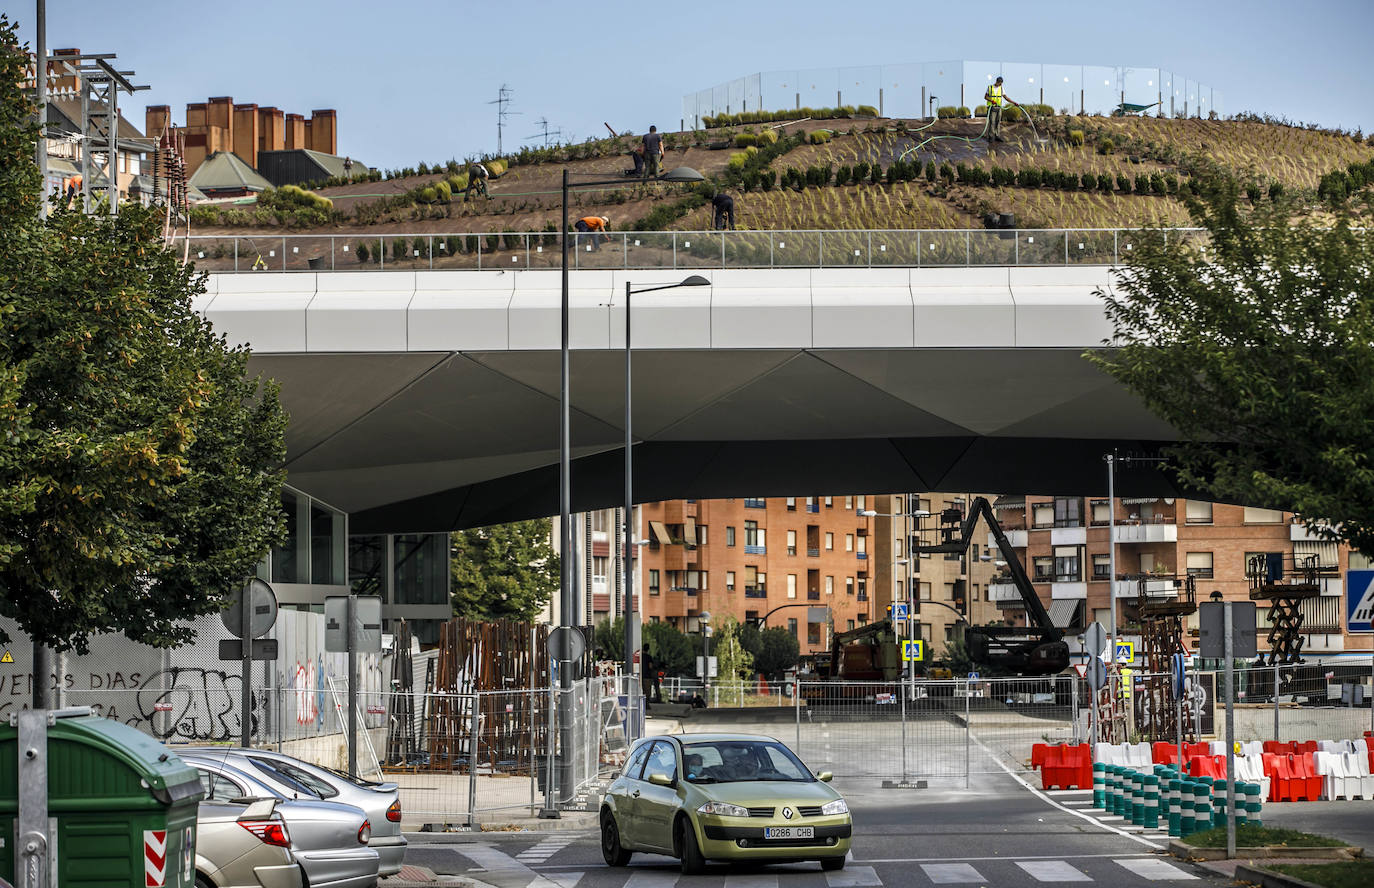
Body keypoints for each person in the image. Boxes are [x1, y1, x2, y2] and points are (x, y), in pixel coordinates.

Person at [984, 76, 1015, 143]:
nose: (1000, 84)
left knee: (998, 122)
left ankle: (997, 136)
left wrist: (1013, 102)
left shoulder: (1001, 88)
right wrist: (992, 100)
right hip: (991, 107)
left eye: (1001, 83)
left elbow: (1006, 97)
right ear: (997, 81)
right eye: (999, 83)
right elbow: (985, 97)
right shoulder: (990, 87)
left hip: (999, 107)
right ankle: (991, 137)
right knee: (992, 122)